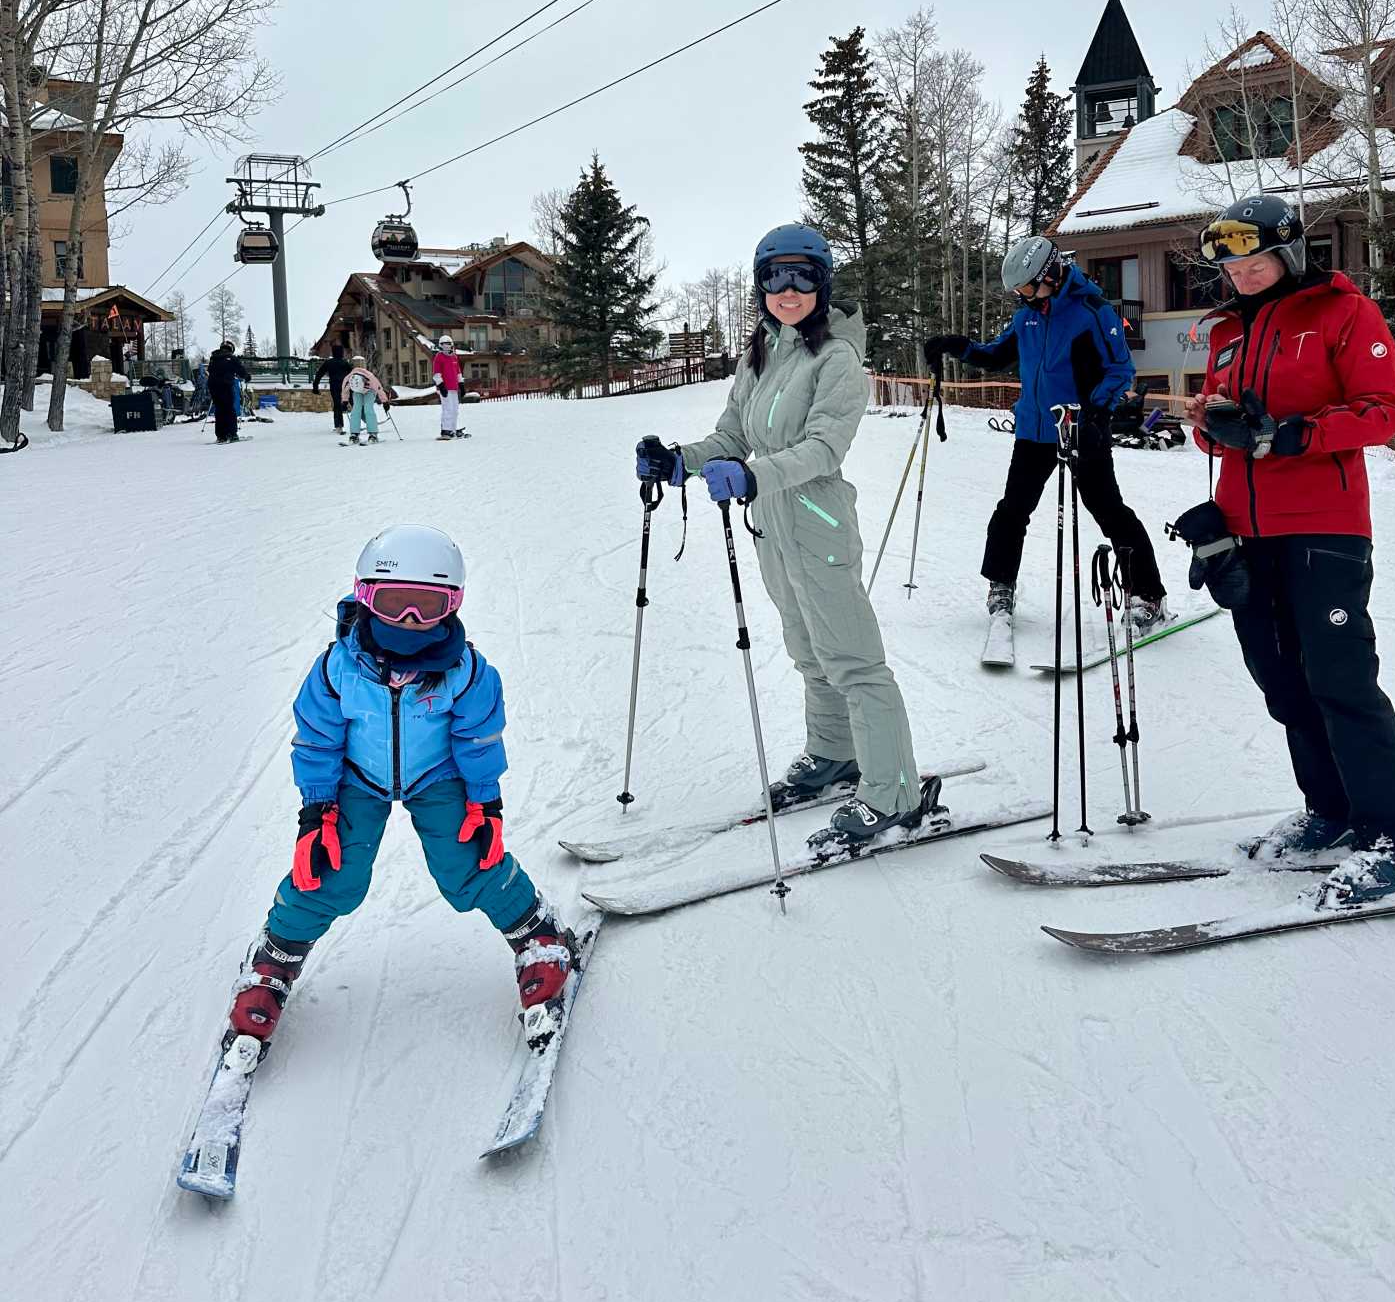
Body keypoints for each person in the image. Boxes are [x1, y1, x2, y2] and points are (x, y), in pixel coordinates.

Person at [221, 525, 578, 1056]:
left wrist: (484, 801)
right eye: (393, 603)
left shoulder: (468, 672)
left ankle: (537, 934)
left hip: (437, 775)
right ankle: (274, 958)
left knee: (468, 859)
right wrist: (317, 809)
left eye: (426, 606)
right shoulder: (336, 670)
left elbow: (478, 737)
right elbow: (317, 739)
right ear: (365, 597)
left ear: (452, 604)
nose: (409, 620)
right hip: (357, 779)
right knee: (328, 870)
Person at [1185, 194, 1395, 907]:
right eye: (1232, 265)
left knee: (1341, 682)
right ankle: (1333, 814)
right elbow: (1217, 425)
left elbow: (1383, 413)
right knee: (1282, 683)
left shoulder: (1342, 313)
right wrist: (1216, 430)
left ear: (1288, 255)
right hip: (1246, 531)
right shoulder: (1227, 332)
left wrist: (1295, 433)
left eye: (1255, 260)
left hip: (1324, 531)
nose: (1242, 274)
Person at [635, 223, 921, 849]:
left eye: (802, 276)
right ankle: (834, 754)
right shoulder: (760, 356)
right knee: (808, 650)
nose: (787, 290)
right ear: (760, 286)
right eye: (774, 277)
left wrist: (752, 474)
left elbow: (823, 448)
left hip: (817, 522)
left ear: (822, 283)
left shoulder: (838, 358)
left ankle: (894, 791)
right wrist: (679, 461)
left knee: (854, 660)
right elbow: (734, 438)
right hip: (772, 526)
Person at [924, 236, 1167, 630]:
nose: (1022, 296)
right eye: (1018, 291)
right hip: (1034, 430)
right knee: (1013, 509)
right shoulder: (1027, 316)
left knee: (1108, 510)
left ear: (1051, 274)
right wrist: (958, 346)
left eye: (1026, 287)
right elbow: (997, 355)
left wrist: (1094, 416)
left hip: (1080, 429)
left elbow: (1120, 371)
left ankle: (1148, 593)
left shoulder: (1093, 312)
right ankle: (1001, 583)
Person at [341, 353, 391, 444]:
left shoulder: (370, 378)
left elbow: (379, 389)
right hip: (357, 391)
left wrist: (385, 402)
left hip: (370, 391)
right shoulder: (349, 378)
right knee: (356, 410)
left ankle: (373, 434)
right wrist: (344, 401)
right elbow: (345, 390)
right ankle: (354, 434)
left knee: (368, 409)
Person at [207, 340, 249, 445]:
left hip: (213, 386)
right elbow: (240, 370)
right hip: (225, 386)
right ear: (231, 349)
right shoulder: (231, 358)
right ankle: (232, 434)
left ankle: (221, 435)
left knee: (219, 409)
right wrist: (247, 377)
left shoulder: (214, 358)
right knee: (229, 409)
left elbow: (210, 370)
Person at [312, 342, 349, 431]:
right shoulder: (344, 363)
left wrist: (315, 386)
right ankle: (360, 423)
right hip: (344, 386)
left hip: (334, 386)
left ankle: (338, 425)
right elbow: (352, 373)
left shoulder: (329, 363)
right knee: (351, 403)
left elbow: (319, 374)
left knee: (337, 404)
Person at [433, 334, 464, 439]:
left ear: (452, 345)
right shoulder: (439, 357)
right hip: (445, 388)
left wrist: (461, 384)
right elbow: (436, 374)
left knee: (455, 409)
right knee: (447, 409)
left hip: (454, 388)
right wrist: (441, 386)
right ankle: (446, 430)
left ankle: (453, 429)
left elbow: (458, 372)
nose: (446, 347)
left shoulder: (454, 357)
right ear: (440, 346)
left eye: (448, 344)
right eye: (444, 345)